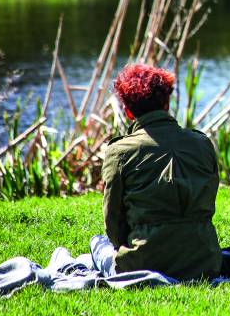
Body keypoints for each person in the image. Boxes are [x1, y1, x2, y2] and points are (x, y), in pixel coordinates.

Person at [93, 64, 221, 280]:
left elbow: (113, 222)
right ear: (167, 103)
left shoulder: (118, 152)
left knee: (97, 243)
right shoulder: (202, 143)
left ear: (128, 111)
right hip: (205, 262)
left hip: (143, 264)